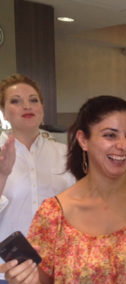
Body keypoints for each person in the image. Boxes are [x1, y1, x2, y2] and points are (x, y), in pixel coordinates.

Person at [0, 96, 126, 283]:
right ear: (83, 140)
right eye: (110, 135)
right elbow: (41, 280)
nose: (123, 145)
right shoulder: (54, 214)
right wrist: (24, 279)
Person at [0, 74, 75, 279]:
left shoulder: (65, 153)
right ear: (4, 113)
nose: (27, 106)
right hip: (9, 270)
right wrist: (2, 175)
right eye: (16, 101)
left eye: (33, 100)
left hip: (56, 267)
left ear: (42, 108)